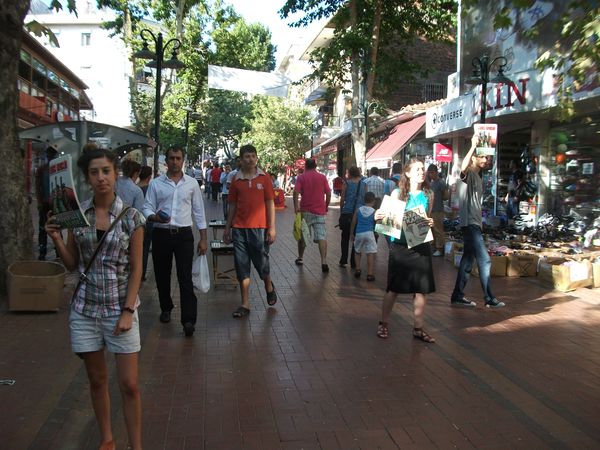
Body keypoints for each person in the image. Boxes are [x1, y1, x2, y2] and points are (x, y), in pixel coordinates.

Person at [45, 148, 144, 450]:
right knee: (97, 380)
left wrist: (128, 310)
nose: (101, 177)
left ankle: (136, 445)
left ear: (116, 174)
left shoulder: (132, 217)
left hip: (119, 308)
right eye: (94, 172)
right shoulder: (77, 216)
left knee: (129, 384)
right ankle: (107, 439)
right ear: (87, 178)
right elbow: (72, 264)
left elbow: (137, 269)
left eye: (106, 171)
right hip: (85, 310)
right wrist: (56, 239)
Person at [142, 146, 209, 336]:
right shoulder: (156, 184)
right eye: (171, 158)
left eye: (178, 158)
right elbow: (146, 207)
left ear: (183, 160)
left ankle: (188, 319)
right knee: (162, 274)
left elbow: (199, 212)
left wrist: (203, 238)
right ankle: (166, 307)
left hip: (184, 235)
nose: (174, 161)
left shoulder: (192, 184)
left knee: (185, 276)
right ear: (166, 161)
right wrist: (154, 217)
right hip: (161, 233)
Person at [375, 158, 436, 343]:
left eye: (423, 169)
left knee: (421, 290)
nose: (421, 172)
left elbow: (427, 218)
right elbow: (385, 219)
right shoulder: (397, 193)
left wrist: (429, 222)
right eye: (417, 169)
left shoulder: (429, 194)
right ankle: (383, 324)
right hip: (400, 247)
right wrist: (378, 215)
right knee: (393, 288)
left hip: (420, 246)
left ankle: (418, 328)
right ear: (407, 173)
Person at [450, 135, 505, 308]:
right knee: (485, 259)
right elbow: (463, 168)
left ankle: (457, 295)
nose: (486, 160)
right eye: (483, 156)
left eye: (487, 157)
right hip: (470, 223)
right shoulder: (470, 174)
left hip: (473, 223)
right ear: (474, 157)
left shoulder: (478, 176)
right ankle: (489, 298)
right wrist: (473, 145)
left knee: (467, 261)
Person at [223, 144, 277, 318]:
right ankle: (245, 303)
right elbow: (232, 205)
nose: (250, 159)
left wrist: (272, 227)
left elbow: (270, 203)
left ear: (256, 158)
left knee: (262, 263)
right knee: (241, 266)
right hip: (239, 229)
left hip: (259, 229)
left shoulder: (264, 178)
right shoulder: (236, 180)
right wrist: (227, 228)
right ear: (241, 160)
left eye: (253, 156)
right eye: (247, 156)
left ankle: (268, 285)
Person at [293, 158, 331, 272]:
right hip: (320, 212)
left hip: (305, 211)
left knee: (303, 235)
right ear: (315, 166)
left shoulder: (301, 177)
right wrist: (326, 205)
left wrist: (296, 207)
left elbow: (296, 192)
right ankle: (324, 261)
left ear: (306, 166)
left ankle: (300, 258)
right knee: (321, 237)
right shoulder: (322, 177)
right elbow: (328, 193)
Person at [35, 146, 58, 260]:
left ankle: (58, 251)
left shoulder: (57, 168)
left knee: (56, 227)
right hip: (46, 203)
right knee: (43, 228)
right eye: (49, 155)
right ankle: (43, 251)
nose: (50, 157)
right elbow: (38, 187)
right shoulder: (42, 169)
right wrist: (39, 202)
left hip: (53, 203)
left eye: (52, 155)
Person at [339, 166, 365, 268]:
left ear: (350, 173)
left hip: (347, 212)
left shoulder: (346, 183)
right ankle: (354, 262)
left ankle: (343, 260)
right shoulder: (364, 184)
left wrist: (341, 211)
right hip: (359, 213)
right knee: (356, 238)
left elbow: (342, 199)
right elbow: (365, 200)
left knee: (345, 237)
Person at [350, 191, 377, 281]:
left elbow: (353, 222)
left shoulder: (358, 210)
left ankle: (358, 269)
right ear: (373, 201)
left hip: (359, 233)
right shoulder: (374, 211)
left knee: (357, 251)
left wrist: (351, 233)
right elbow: (377, 222)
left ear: (364, 200)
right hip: (369, 233)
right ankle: (369, 274)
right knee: (370, 253)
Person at [427, 164, 447, 256]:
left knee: (438, 230)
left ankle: (440, 248)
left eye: (432, 173)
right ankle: (433, 247)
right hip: (431, 210)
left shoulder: (441, 183)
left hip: (438, 210)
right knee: (432, 230)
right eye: (429, 173)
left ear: (436, 172)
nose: (431, 175)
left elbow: (446, 196)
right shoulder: (431, 183)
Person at [137, 165, 153, 281]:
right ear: (149, 176)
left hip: (135, 223)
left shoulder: (135, 188)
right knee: (145, 248)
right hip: (148, 222)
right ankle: (141, 273)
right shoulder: (150, 189)